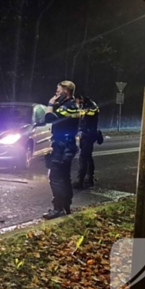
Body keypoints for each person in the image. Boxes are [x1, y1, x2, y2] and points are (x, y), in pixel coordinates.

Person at [42, 80, 80, 220]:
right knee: (65, 177)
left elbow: (48, 118)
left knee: (56, 178)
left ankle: (58, 208)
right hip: (68, 145)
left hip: (62, 146)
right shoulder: (72, 106)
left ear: (65, 92)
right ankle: (66, 206)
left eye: (58, 92)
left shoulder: (67, 107)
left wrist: (51, 103)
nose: (55, 94)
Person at [74, 94, 100, 189]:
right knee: (88, 157)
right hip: (87, 134)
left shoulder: (91, 106)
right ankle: (89, 178)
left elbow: (87, 117)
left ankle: (80, 181)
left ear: (80, 98)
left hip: (88, 135)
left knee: (83, 158)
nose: (76, 103)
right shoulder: (86, 105)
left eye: (76, 100)